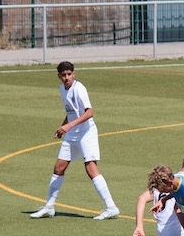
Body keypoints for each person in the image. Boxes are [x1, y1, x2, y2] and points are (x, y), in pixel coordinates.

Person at [30, 61, 120, 220]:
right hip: (72, 133)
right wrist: (63, 127)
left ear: (74, 74)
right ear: (58, 76)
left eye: (69, 74)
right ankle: (49, 207)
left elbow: (89, 113)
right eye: (63, 75)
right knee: (58, 168)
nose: (67, 78)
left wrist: (69, 126)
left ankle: (111, 207)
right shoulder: (62, 89)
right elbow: (71, 112)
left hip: (86, 133)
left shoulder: (79, 89)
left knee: (91, 169)